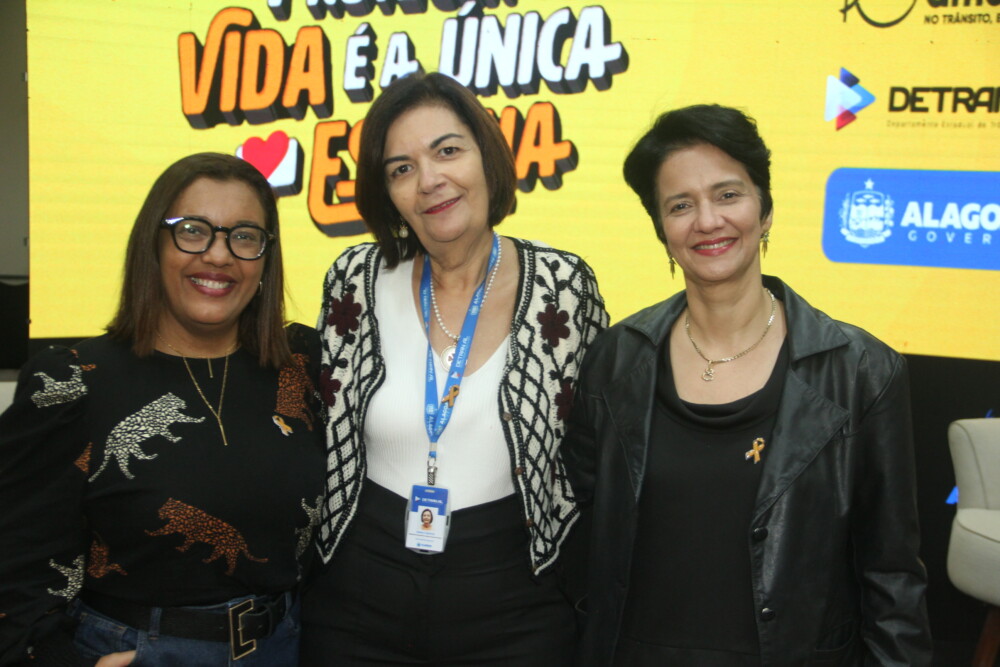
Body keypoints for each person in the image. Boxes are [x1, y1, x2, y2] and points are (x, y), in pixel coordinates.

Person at [562, 105, 932, 666]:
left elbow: (892, 576)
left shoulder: (861, 371)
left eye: (728, 195)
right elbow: (583, 533)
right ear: (662, 230)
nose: (707, 220)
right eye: (680, 205)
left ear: (766, 210)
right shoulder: (616, 360)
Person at [302, 72, 608, 665]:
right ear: (386, 193)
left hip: (518, 602)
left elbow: (595, 457)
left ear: (486, 157)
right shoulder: (355, 280)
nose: (429, 180)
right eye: (401, 168)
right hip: (359, 599)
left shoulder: (564, 286)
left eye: (447, 151)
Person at [0, 153, 325, 666]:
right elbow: (15, 565)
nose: (218, 255)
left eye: (244, 236)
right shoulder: (71, 382)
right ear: (153, 244)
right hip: (140, 652)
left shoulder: (300, 366)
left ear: (266, 258)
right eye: (193, 230)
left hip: (285, 644)